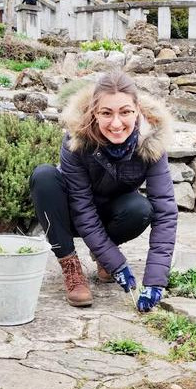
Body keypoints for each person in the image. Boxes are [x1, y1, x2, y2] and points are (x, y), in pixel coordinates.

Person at [29, 70, 177, 311]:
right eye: (106, 113)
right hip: (74, 214)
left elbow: (166, 212)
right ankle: (71, 266)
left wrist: (155, 282)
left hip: (113, 213)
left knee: (141, 209)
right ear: (94, 112)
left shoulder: (152, 142)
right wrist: (119, 265)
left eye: (125, 112)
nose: (116, 123)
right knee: (44, 176)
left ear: (137, 109)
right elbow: (83, 209)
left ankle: (102, 256)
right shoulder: (76, 140)